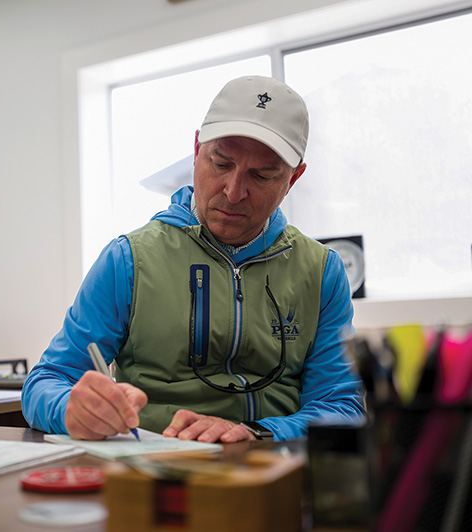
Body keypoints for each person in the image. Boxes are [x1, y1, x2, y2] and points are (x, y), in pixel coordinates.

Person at [21, 75, 365, 443]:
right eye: (220, 163)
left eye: (262, 175)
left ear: (293, 179)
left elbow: (342, 405)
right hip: (152, 467)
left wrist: (257, 432)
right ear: (197, 148)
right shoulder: (128, 261)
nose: (233, 192)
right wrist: (71, 407)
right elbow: (44, 383)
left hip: (268, 470)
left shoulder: (322, 271)